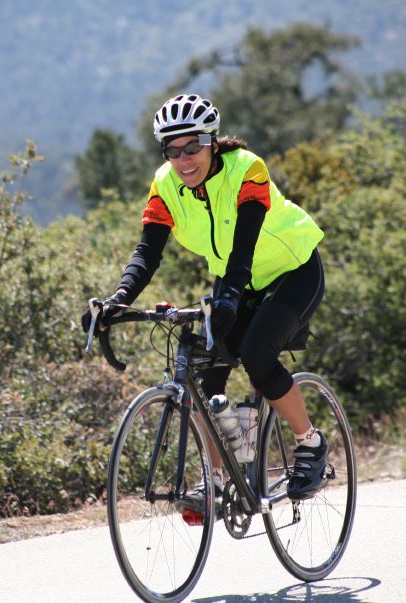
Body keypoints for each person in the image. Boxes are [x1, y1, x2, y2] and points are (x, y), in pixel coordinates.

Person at [84, 93, 327, 512]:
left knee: (256, 354)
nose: (184, 158)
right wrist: (118, 300)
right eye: (172, 150)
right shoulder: (165, 185)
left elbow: (244, 247)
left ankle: (311, 444)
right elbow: (148, 252)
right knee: (204, 375)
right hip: (236, 280)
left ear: (212, 141)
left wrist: (230, 297)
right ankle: (218, 479)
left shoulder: (246, 169)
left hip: (293, 270)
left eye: (193, 146)